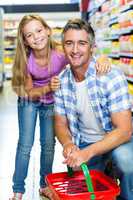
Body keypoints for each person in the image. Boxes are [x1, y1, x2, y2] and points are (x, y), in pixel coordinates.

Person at [10, 15, 111, 200]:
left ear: (48, 31)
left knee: (48, 146)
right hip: (29, 101)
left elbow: (84, 55)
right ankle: (18, 190)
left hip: (52, 104)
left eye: (39, 31)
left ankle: (44, 185)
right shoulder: (26, 59)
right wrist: (49, 87)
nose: (36, 37)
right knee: (25, 145)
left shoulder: (60, 53)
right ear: (25, 40)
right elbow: (28, 92)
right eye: (29, 35)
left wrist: (103, 58)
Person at [54, 18, 133, 200]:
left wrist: (87, 153)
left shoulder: (110, 77)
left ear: (92, 47)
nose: (74, 50)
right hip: (84, 143)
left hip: (117, 142)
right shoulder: (61, 81)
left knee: (127, 161)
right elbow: (60, 123)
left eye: (81, 43)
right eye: (69, 43)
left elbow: (124, 130)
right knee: (88, 193)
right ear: (63, 46)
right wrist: (68, 144)